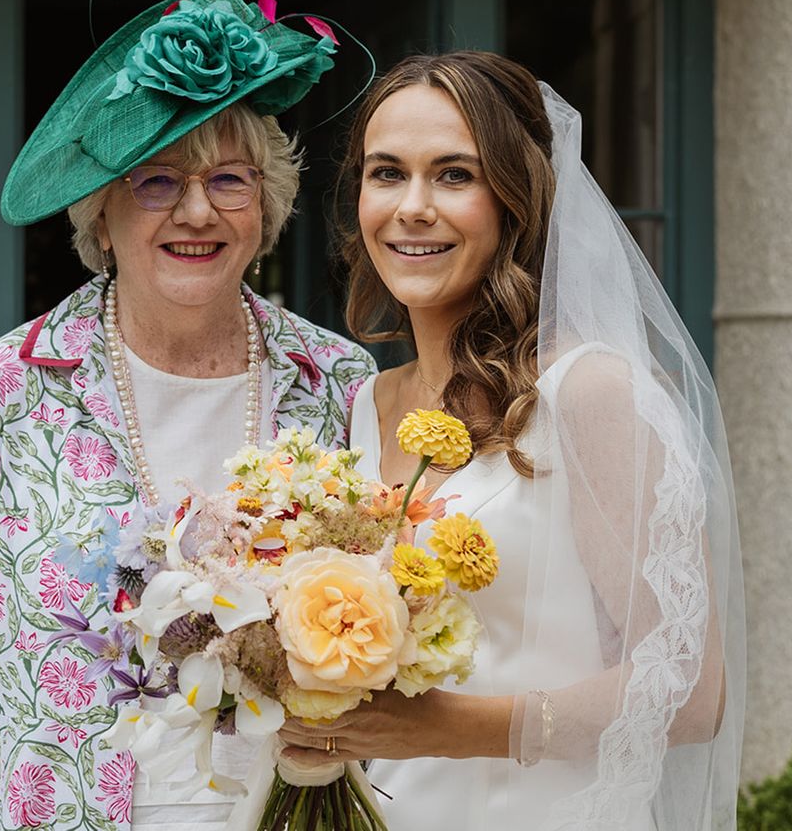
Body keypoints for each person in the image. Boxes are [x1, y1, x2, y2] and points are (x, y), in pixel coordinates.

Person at [0, 0, 376, 831]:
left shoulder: (337, 383)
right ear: (101, 210)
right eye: (155, 181)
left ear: (266, 207)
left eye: (229, 179)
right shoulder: (8, 391)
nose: (195, 211)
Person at [278, 51, 745, 830]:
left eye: (454, 175)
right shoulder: (366, 405)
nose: (412, 207)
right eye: (386, 173)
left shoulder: (589, 393)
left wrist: (453, 731)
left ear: (515, 200)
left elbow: (691, 691)